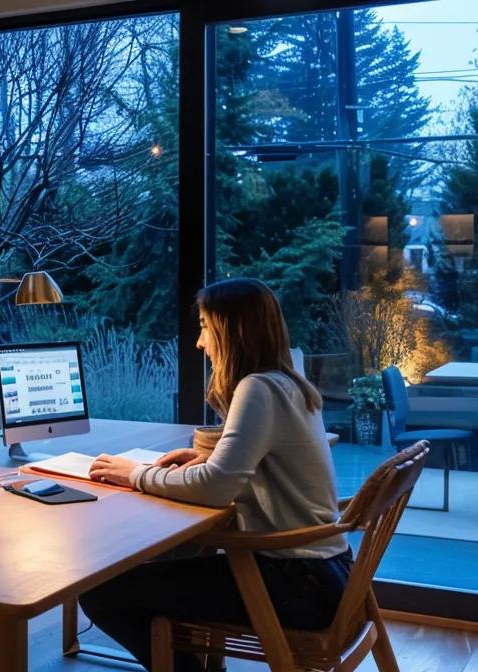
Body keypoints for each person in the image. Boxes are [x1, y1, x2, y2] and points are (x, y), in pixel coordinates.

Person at [79, 277, 352, 670]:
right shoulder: (289, 383)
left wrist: (134, 474)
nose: (199, 342)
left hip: (293, 584)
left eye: (205, 326)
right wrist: (207, 456)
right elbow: (252, 464)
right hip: (327, 573)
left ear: (231, 331)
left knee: (102, 591)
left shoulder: (257, 389)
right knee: (161, 573)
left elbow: (215, 487)